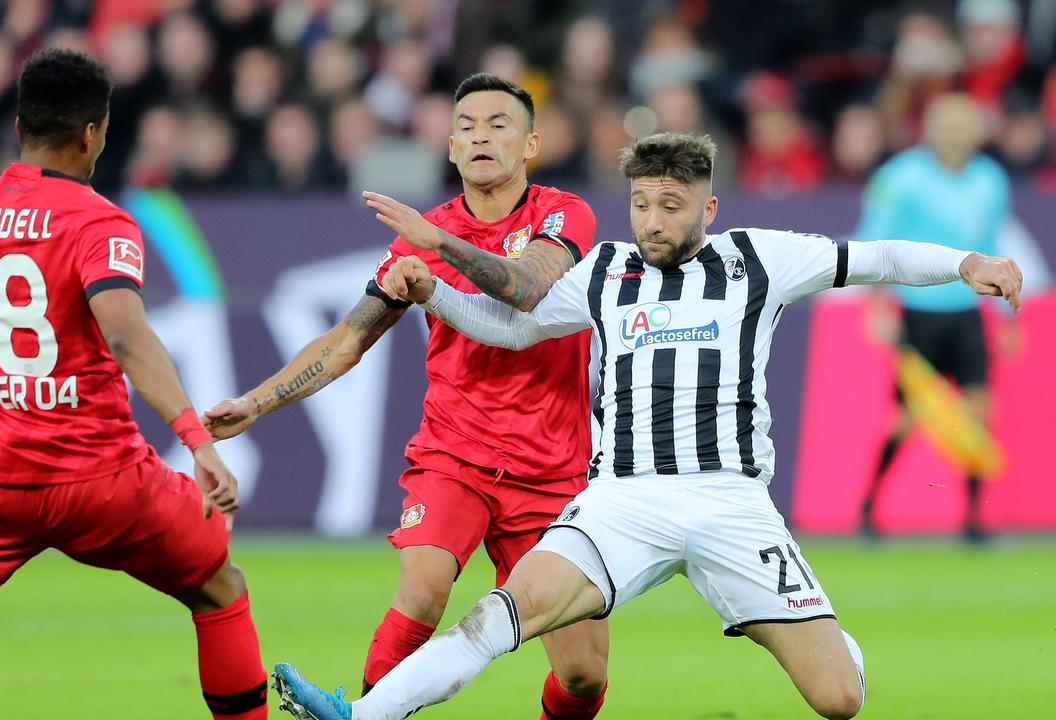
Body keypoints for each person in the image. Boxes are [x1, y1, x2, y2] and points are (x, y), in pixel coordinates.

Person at [271, 132, 1024, 720]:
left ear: (708, 209)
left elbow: (879, 256)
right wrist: (435, 293)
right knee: (499, 617)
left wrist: (966, 263)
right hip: (621, 501)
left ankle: (830, 638)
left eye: (671, 204)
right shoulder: (604, 270)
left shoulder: (758, 259)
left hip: (729, 502)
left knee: (837, 699)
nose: (652, 220)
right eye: (641, 203)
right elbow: (509, 329)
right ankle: (362, 712)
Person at [205, 73, 612, 719]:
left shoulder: (561, 214)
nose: (483, 136)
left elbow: (530, 287)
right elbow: (346, 341)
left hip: (552, 470)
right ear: (450, 148)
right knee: (422, 592)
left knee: (584, 674)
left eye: (499, 124)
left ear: (531, 143)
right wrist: (255, 404)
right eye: (469, 127)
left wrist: (439, 246)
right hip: (456, 454)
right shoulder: (421, 240)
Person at [0, 49, 267, 720]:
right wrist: (195, 440)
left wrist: (1, 411)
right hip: (102, 479)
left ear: (20, 125)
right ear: (93, 133)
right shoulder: (97, 221)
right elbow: (127, 336)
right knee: (221, 588)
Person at [855, 93, 1014, 542]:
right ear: (931, 129)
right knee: (905, 419)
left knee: (979, 415)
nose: (957, 133)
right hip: (917, 311)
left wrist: (1007, 314)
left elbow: (992, 249)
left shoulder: (990, 180)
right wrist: (878, 306)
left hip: (966, 312)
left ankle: (973, 519)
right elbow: (875, 247)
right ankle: (869, 506)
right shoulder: (900, 178)